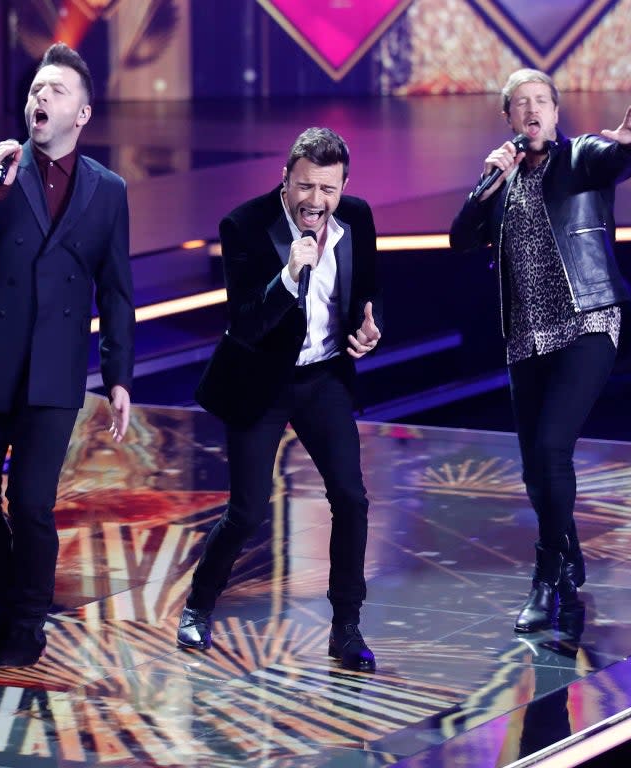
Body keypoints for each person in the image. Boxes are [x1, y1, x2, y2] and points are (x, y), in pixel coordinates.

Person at [0, 43, 135, 668]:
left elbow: (117, 290)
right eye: (36, 88)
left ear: (82, 114)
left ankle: (25, 621)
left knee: (32, 505)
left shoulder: (108, 191)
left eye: (55, 90)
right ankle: (10, 601)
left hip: (51, 370)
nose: (40, 97)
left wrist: (119, 375)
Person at [449, 68, 631, 633]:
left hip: (587, 320)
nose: (532, 109)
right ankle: (567, 559)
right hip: (526, 334)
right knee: (534, 473)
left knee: (550, 446)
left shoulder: (578, 156)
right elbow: (460, 238)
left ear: (556, 112)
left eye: (541, 100)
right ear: (509, 119)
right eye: (521, 103)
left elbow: (611, 158)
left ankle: (546, 576)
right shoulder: (504, 178)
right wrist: (487, 182)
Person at [180, 127, 382, 672]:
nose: (316, 202)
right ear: (285, 179)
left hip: (323, 379)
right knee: (247, 512)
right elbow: (244, 324)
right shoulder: (244, 227)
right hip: (260, 382)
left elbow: (367, 292)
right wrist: (289, 273)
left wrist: (369, 325)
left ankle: (346, 627)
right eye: (306, 187)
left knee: (351, 498)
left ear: (344, 187)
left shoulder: (357, 218)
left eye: (329, 190)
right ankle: (199, 604)